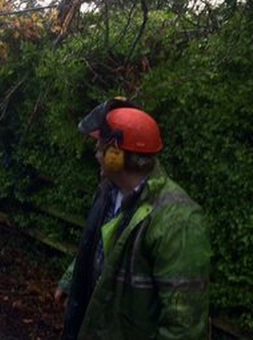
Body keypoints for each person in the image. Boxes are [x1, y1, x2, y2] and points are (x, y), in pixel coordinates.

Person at [55, 98, 211, 339]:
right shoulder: (109, 190)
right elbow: (99, 244)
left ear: (116, 155)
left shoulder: (178, 221)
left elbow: (184, 327)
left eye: (101, 147)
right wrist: (71, 280)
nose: (96, 154)